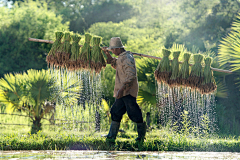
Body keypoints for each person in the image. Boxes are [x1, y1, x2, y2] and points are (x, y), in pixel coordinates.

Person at [102, 37, 146, 141]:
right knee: (115, 111)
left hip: (127, 91)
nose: (112, 51)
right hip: (121, 91)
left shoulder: (127, 58)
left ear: (118, 48)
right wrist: (107, 53)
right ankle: (111, 136)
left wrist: (122, 89)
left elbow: (131, 76)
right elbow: (114, 63)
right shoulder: (122, 57)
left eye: (113, 50)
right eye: (111, 50)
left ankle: (141, 137)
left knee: (134, 112)